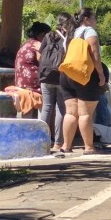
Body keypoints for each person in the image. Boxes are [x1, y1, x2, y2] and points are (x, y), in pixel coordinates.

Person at [59, 7, 106, 155]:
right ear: (86, 19)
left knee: (71, 113)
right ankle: (88, 147)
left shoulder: (70, 33)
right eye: (94, 18)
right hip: (85, 76)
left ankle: (66, 145)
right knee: (85, 113)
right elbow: (94, 54)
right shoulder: (89, 31)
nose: (95, 21)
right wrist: (101, 74)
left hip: (67, 75)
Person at [39, 13, 70, 151]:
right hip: (60, 76)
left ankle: (41, 140)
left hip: (45, 76)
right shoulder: (67, 38)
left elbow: (39, 55)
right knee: (61, 109)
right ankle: (58, 143)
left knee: (46, 107)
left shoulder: (47, 36)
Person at [14, 21, 49, 118]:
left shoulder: (27, 43)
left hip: (20, 84)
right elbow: (45, 63)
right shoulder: (38, 45)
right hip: (32, 86)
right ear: (43, 35)